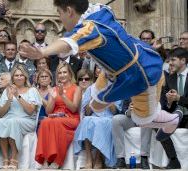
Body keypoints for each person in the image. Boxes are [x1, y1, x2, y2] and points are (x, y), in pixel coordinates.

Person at [20, 0, 182, 151]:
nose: (59, 19)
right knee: (96, 103)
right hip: (116, 72)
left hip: (141, 72)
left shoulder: (92, 29)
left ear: (69, 11)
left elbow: (69, 42)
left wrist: (42, 51)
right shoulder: (98, 10)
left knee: (143, 119)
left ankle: (171, 120)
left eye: (59, 14)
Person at [0, 64, 41, 169]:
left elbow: (30, 111)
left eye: (21, 75)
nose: (19, 77)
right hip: (10, 119)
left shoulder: (32, 90)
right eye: (16, 75)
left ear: (25, 77)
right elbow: (1, 113)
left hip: (27, 121)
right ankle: (6, 159)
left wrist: (17, 96)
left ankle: (15, 158)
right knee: (0, 122)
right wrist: (9, 99)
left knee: (13, 122)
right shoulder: (7, 91)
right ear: (12, 77)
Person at [35, 62, 81, 169]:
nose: (62, 75)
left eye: (65, 72)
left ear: (70, 74)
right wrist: (53, 98)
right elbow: (48, 111)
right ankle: (45, 160)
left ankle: (56, 160)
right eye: (60, 73)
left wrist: (62, 95)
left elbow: (74, 108)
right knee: (45, 122)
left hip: (71, 118)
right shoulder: (54, 89)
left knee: (56, 122)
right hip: (55, 116)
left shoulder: (76, 88)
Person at [74, 83, 121, 169]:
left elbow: (115, 112)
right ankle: (89, 158)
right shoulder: (91, 89)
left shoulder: (117, 88)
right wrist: (93, 100)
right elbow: (87, 113)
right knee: (86, 120)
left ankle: (98, 158)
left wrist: (109, 98)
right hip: (94, 116)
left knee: (103, 123)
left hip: (109, 117)